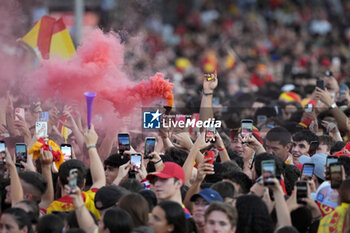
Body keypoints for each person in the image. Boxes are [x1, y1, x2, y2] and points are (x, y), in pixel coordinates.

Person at [46, 125, 106, 219]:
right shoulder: (91, 201)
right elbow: (100, 180)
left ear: (59, 181)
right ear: (83, 183)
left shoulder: (52, 209)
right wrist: (91, 146)